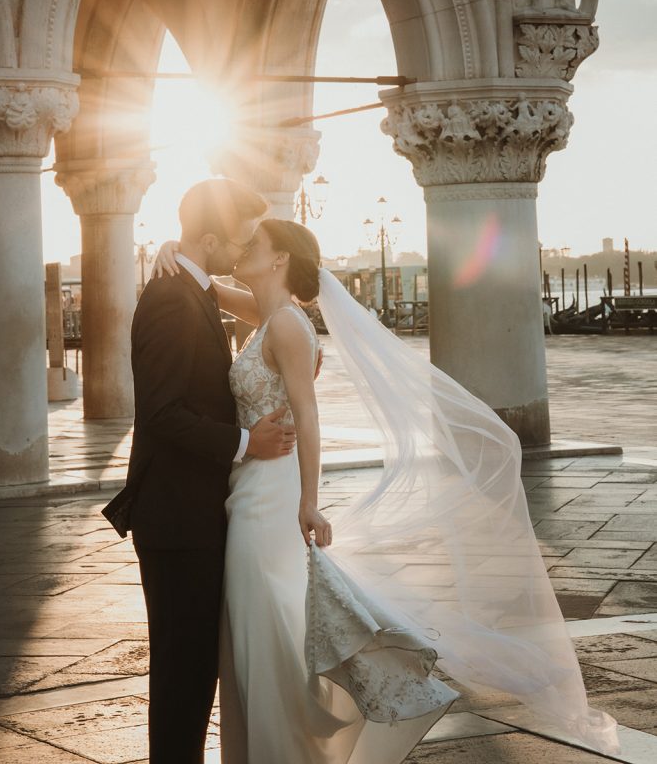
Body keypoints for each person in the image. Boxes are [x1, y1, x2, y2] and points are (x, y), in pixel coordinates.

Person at [154, 218, 619, 762]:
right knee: (258, 621)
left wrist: (309, 500)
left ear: (279, 258)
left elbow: (308, 415)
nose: (240, 246)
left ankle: (287, 746)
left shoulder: (284, 325)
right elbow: (211, 290)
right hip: (249, 486)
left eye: (252, 243)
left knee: (264, 626)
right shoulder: (271, 316)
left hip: (271, 495)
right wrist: (177, 250)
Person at [103, 179, 299, 764]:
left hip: (195, 512)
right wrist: (247, 442)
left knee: (192, 668)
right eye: (237, 239)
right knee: (181, 671)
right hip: (177, 517)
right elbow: (161, 412)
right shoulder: (169, 297)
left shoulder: (192, 287)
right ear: (210, 239)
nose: (242, 250)